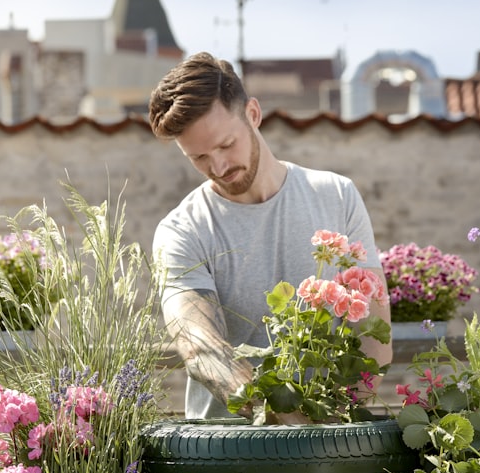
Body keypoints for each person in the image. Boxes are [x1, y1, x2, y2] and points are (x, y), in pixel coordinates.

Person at [148, 52, 391, 420]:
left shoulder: (337, 196)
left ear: (253, 114)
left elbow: (374, 334)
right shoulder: (181, 230)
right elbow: (199, 345)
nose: (218, 166)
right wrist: (283, 421)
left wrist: (337, 421)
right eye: (198, 157)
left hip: (330, 447)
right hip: (225, 457)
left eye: (226, 145)